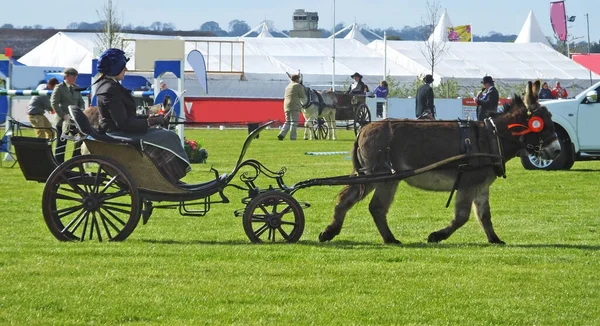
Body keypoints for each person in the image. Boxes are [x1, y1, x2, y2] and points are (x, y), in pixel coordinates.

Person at [95, 48, 190, 183]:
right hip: (119, 134)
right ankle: (167, 177)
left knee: (165, 134)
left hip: (119, 131)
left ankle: (165, 177)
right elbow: (123, 123)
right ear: (115, 69)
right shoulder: (110, 90)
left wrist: (150, 119)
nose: (126, 69)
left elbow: (126, 117)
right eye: (123, 67)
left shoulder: (109, 87)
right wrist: (150, 122)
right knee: (168, 136)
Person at [50, 67, 85, 163]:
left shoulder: (76, 88)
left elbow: (81, 102)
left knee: (80, 139)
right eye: (72, 76)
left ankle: (74, 161)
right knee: (61, 144)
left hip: (74, 122)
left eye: (75, 76)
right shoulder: (59, 88)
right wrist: (63, 115)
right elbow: (54, 103)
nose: (74, 78)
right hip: (62, 121)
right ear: (66, 76)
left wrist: (81, 111)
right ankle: (58, 165)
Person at [278, 74, 306, 141]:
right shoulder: (297, 85)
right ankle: (293, 137)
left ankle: (282, 134)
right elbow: (302, 95)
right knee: (294, 122)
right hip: (294, 105)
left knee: (287, 121)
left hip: (286, 105)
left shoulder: (288, 86)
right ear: (297, 79)